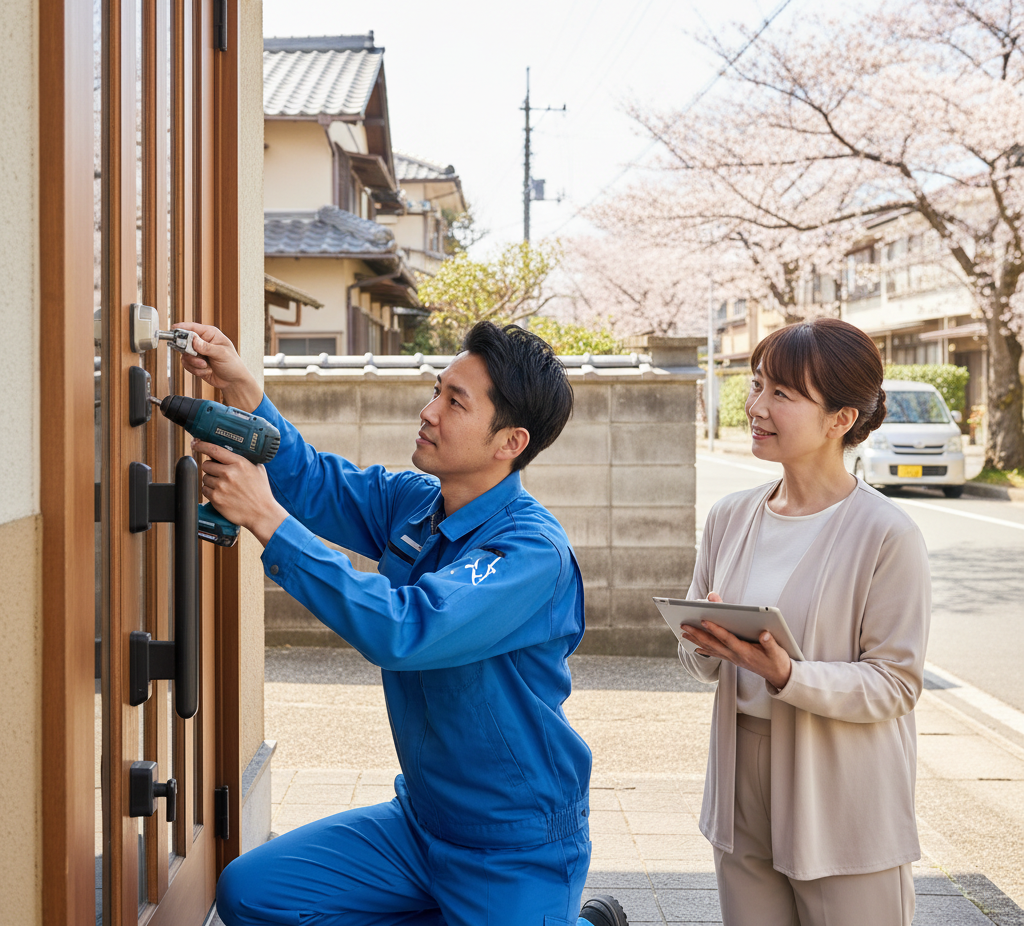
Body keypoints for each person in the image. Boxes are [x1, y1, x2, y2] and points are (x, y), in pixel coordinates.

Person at [175, 320, 629, 926]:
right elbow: (313, 481)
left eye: (454, 402)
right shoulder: (417, 501)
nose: (429, 411)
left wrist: (266, 520)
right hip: (421, 821)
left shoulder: (529, 552)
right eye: (438, 390)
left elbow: (406, 629)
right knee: (252, 895)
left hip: (513, 842)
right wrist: (242, 388)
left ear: (509, 442)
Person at [678, 319, 930, 926]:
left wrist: (790, 674)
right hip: (741, 779)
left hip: (843, 789)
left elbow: (896, 684)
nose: (757, 407)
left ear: (841, 419)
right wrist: (707, 645)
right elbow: (701, 657)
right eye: (758, 385)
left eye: (783, 395)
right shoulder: (731, 516)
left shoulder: (887, 534)